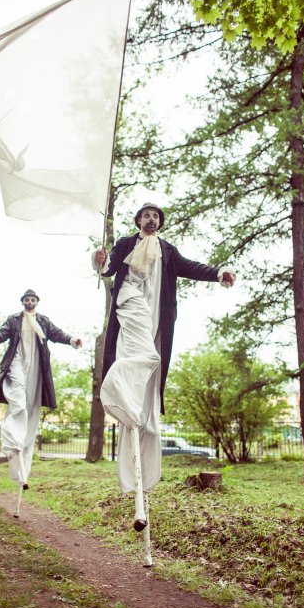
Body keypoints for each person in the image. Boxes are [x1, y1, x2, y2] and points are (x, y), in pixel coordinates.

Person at [92, 203, 235, 497]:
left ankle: (142, 480)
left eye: (155, 216)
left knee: (151, 388)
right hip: (131, 308)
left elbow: (192, 267)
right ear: (138, 220)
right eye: (146, 215)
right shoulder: (125, 244)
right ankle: (116, 380)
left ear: (160, 222)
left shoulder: (168, 250)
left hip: (158, 316)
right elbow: (108, 269)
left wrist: (219, 273)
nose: (151, 219)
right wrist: (99, 260)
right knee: (145, 357)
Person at [0, 290, 82, 487]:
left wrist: (73, 340)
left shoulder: (43, 321)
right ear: (22, 302)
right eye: (26, 299)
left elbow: (57, 335)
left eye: (32, 299)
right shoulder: (13, 319)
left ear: (36, 302)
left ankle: (22, 467)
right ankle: (12, 437)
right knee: (18, 402)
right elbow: (1, 336)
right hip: (17, 362)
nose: (29, 302)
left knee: (31, 412)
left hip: (36, 367)